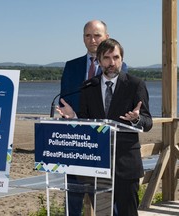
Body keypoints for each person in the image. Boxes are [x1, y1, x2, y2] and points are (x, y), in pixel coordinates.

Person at [57, 38, 153, 216]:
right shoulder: (88, 86)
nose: (112, 62)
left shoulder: (135, 85)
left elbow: (148, 123)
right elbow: (86, 123)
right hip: (97, 165)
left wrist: (136, 119)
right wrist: (74, 117)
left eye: (116, 57)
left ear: (122, 59)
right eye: (107, 58)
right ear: (99, 61)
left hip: (126, 165)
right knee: (102, 212)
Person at [60, 20, 127, 216]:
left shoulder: (121, 66)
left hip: (102, 143)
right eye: (88, 35)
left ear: (106, 37)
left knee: (104, 201)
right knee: (72, 200)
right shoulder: (70, 66)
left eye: (97, 35)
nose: (92, 40)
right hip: (73, 143)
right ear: (83, 39)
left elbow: (117, 105)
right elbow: (65, 100)